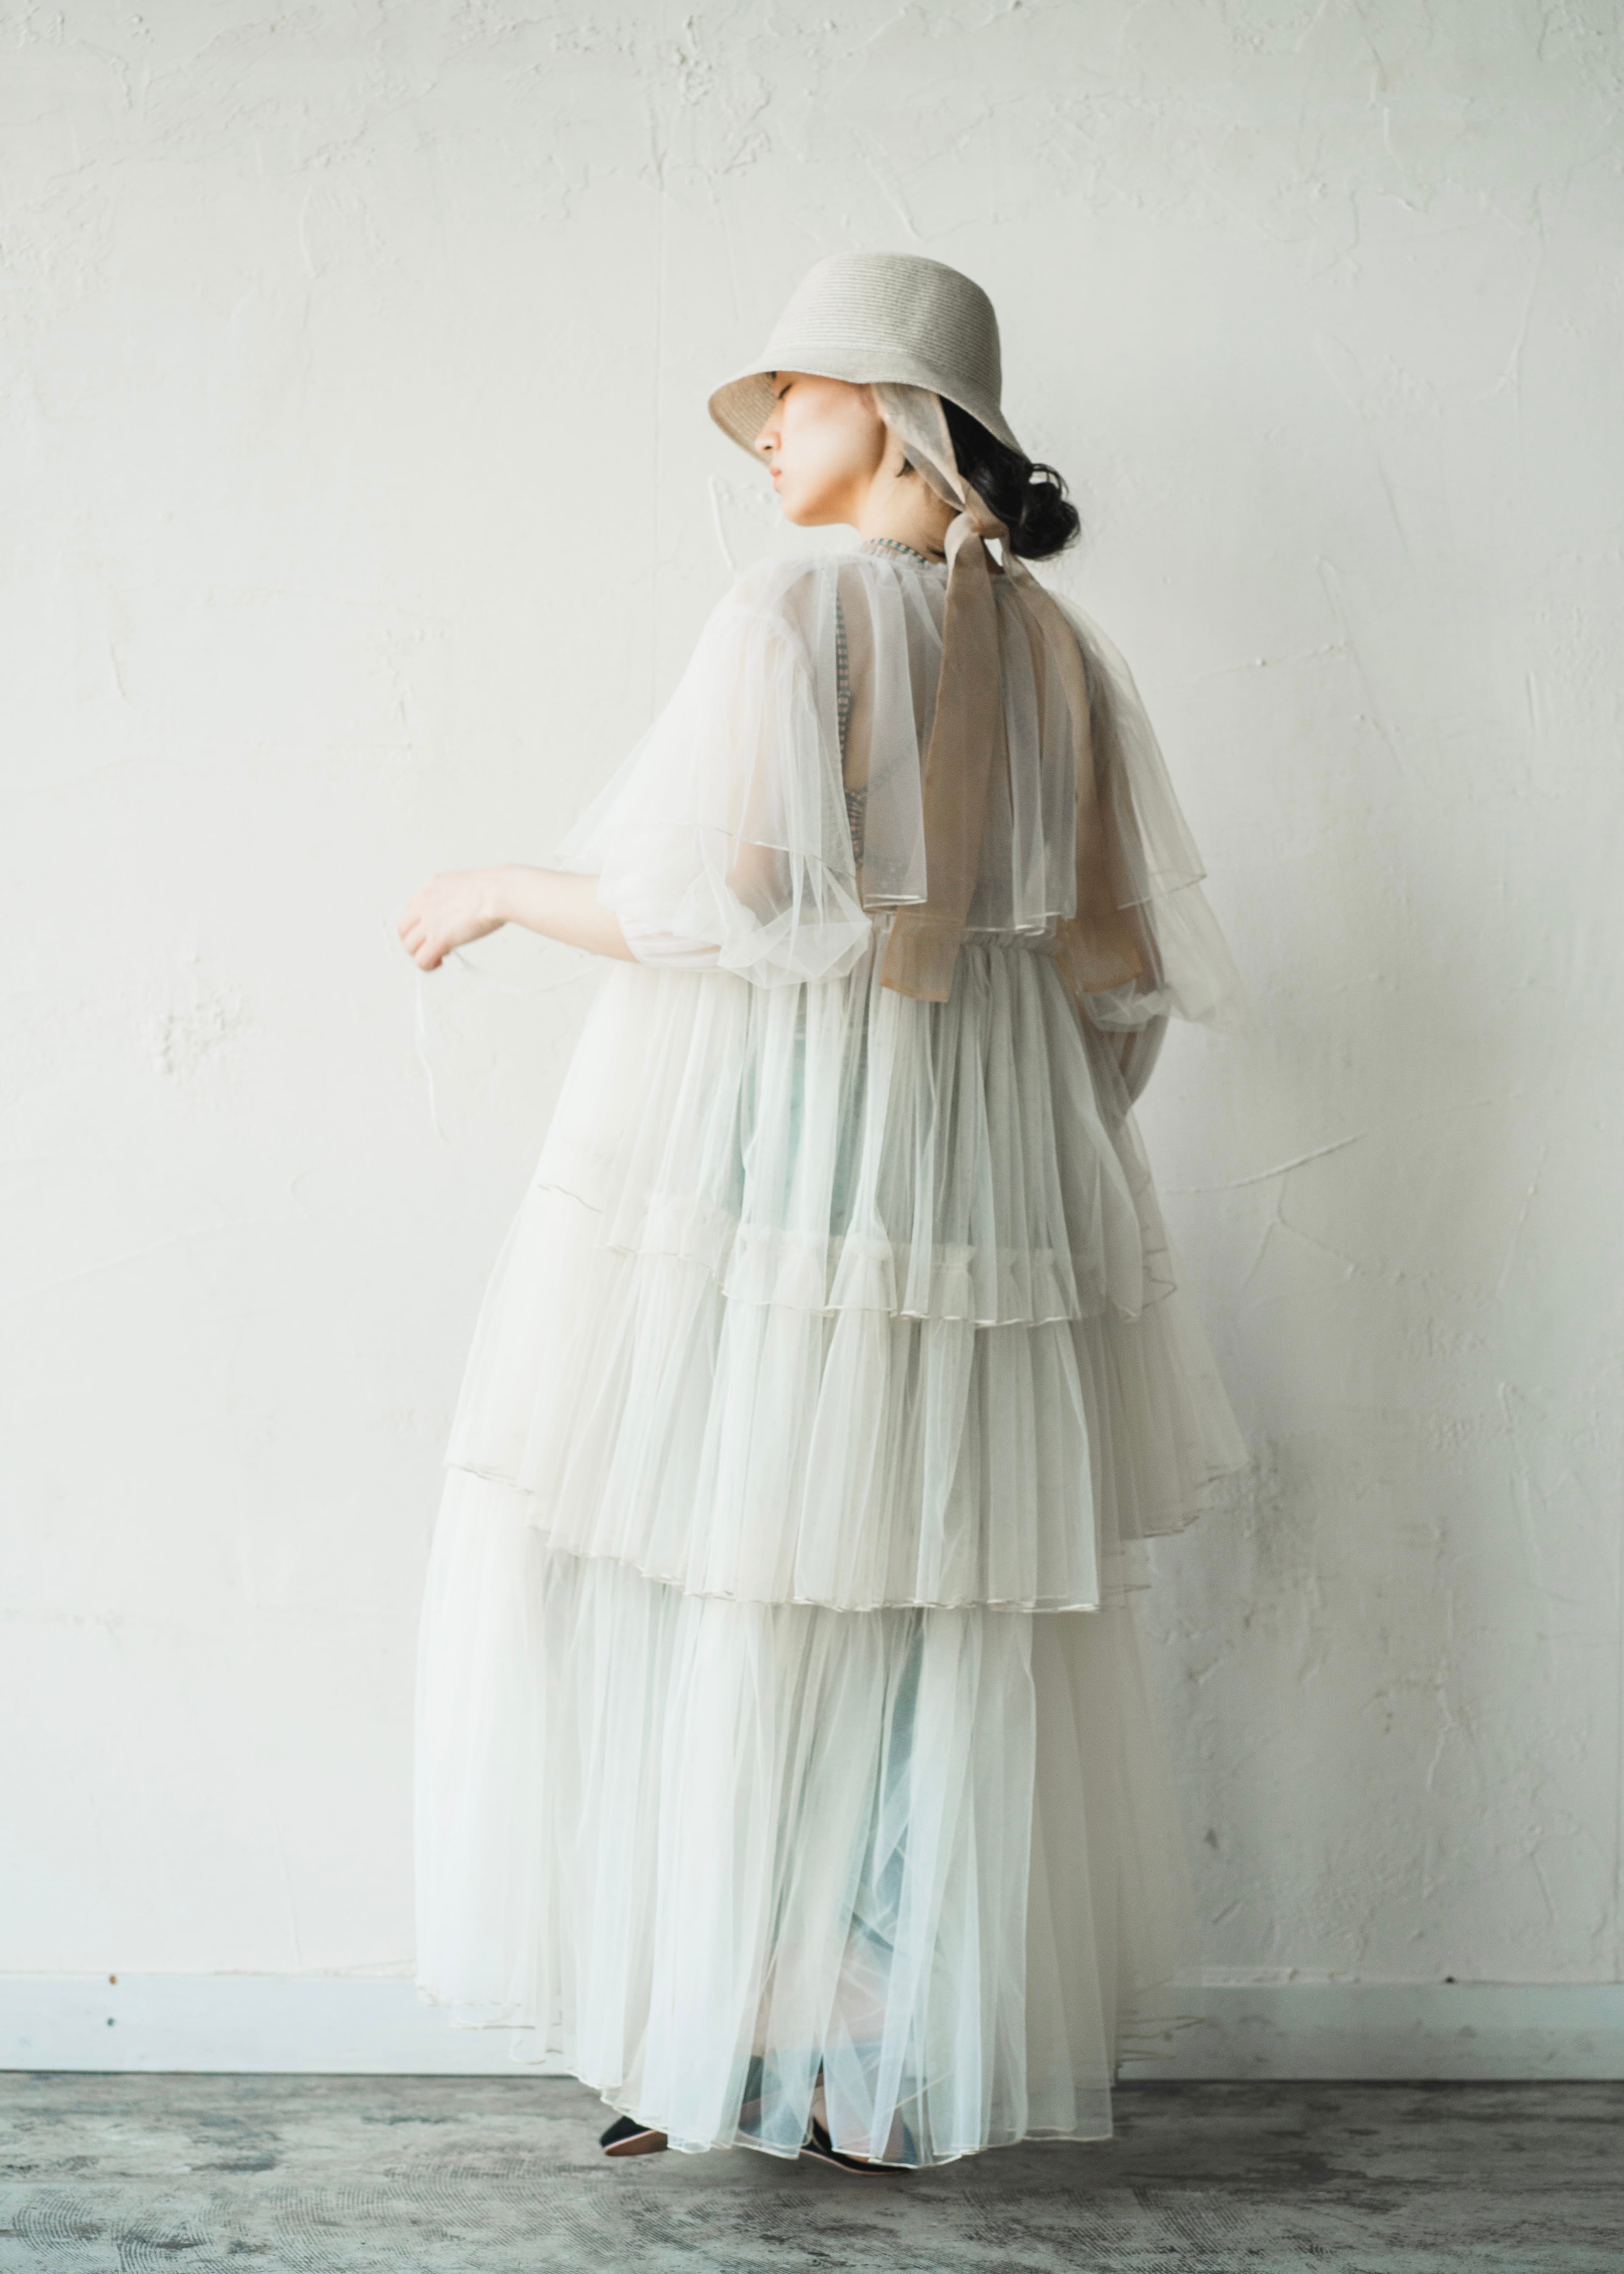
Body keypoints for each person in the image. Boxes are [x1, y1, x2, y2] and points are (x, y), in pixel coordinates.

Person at [399, 251, 1246, 2173]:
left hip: (792, 1161)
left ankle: (733, 2020)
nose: (767, 423)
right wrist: (1028, 1161)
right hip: (992, 1187)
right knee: (934, 1596)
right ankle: (871, 2031)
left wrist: (502, 889)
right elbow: (1122, 986)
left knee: (739, 1567)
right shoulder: (1065, 655)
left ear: (895, 412)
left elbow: (730, 908)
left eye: (795, 387)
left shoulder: (792, 611)